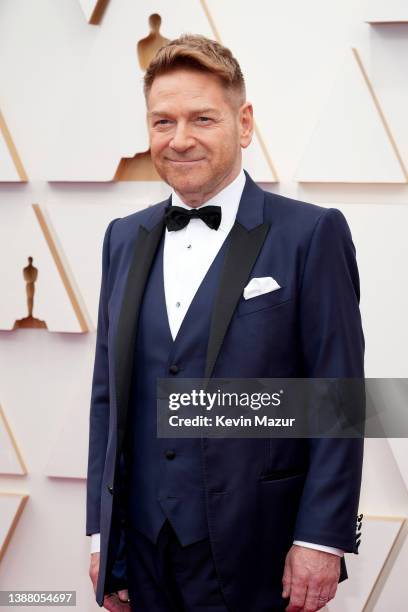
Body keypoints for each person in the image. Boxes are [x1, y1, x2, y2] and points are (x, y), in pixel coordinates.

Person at [86, 34, 364, 612]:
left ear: (244, 123)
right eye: (162, 121)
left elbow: (339, 398)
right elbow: (108, 400)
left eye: (202, 119)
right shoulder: (122, 238)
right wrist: (102, 535)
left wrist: (319, 540)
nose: (179, 138)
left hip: (259, 552)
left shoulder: (311, 235)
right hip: (141, 552)